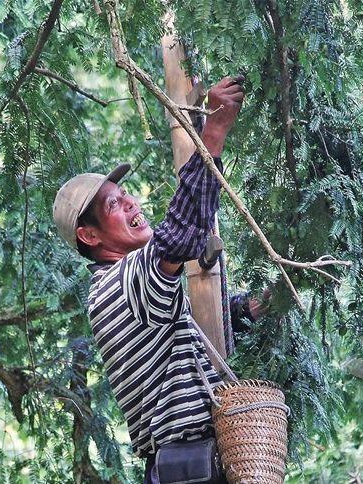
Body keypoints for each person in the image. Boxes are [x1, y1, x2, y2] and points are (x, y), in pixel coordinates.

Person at [52, 76, 249, 483]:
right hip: (190, 470)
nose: (130, 202)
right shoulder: (119, 283)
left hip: (192, 466)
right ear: (90, 236)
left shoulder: (128, 287)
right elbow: (178, 236)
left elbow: (188, 336)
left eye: (124, 194)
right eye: (113, 205)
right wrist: (213, 132)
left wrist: (254, 306)